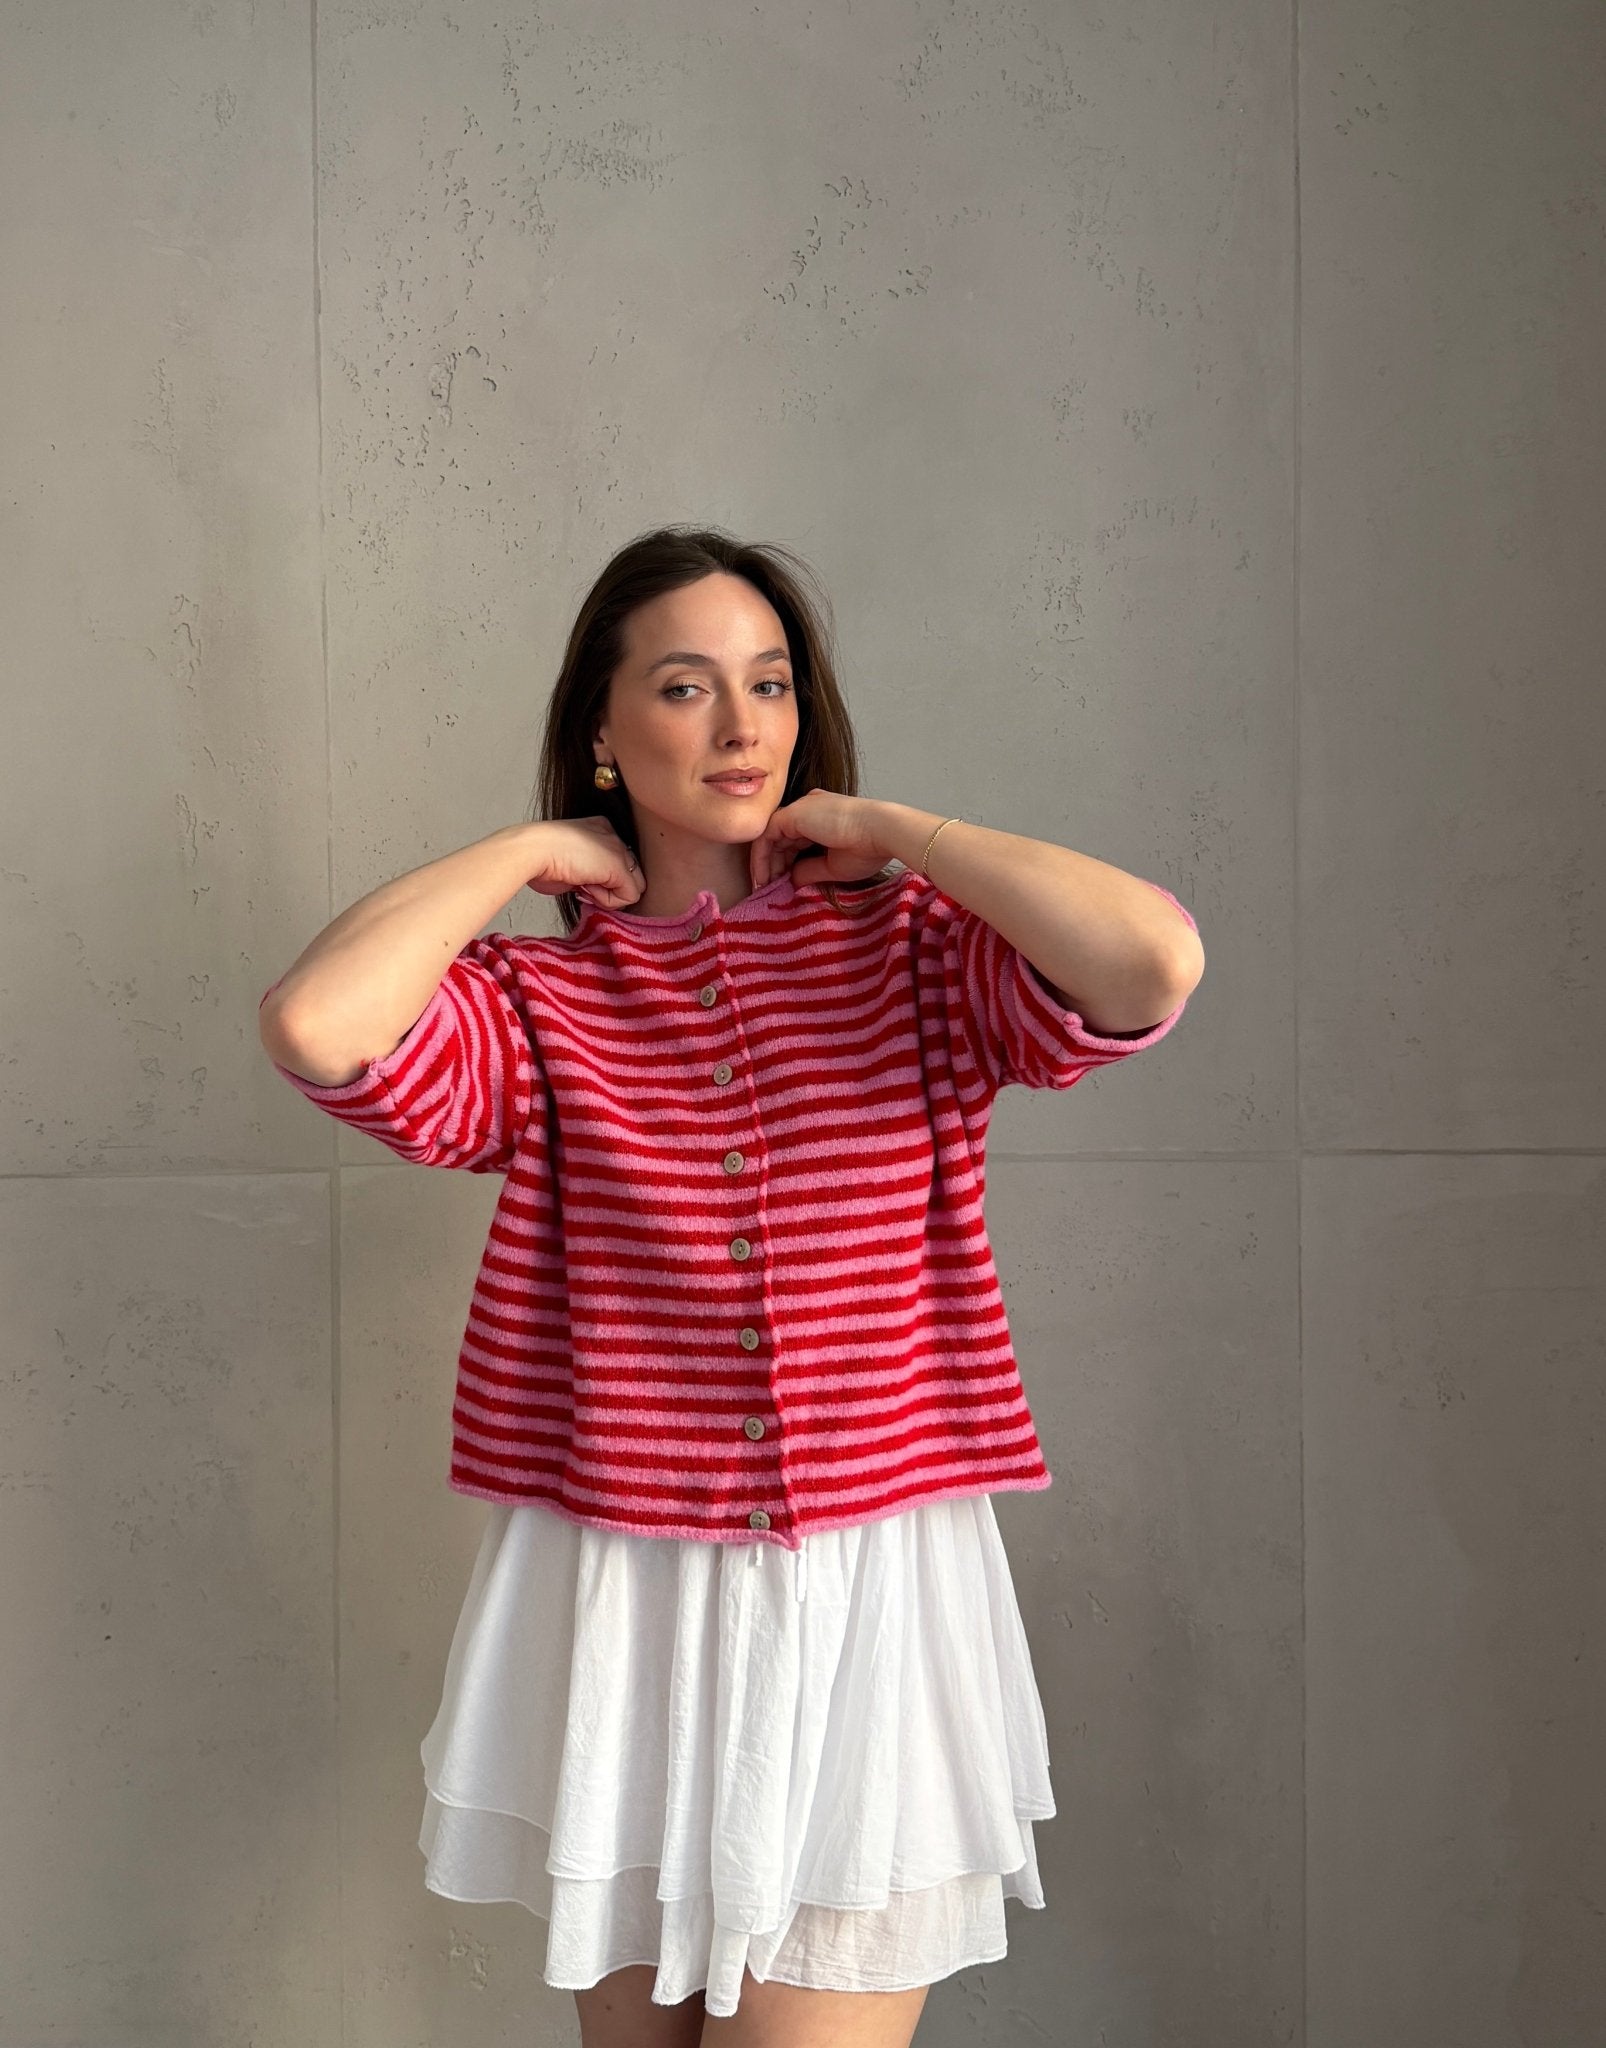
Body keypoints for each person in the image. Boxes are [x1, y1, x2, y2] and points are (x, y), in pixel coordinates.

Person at [257, 525, 1204, 2048]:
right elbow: (317, 1024)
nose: (742, 724)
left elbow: (1150, 961)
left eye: (769, 683)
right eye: (686, 686)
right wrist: (522, 855)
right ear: (605, 727)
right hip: (626, 1596)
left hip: (866, 1588)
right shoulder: (539, 1002)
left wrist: (898, 828)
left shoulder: (915, 956)